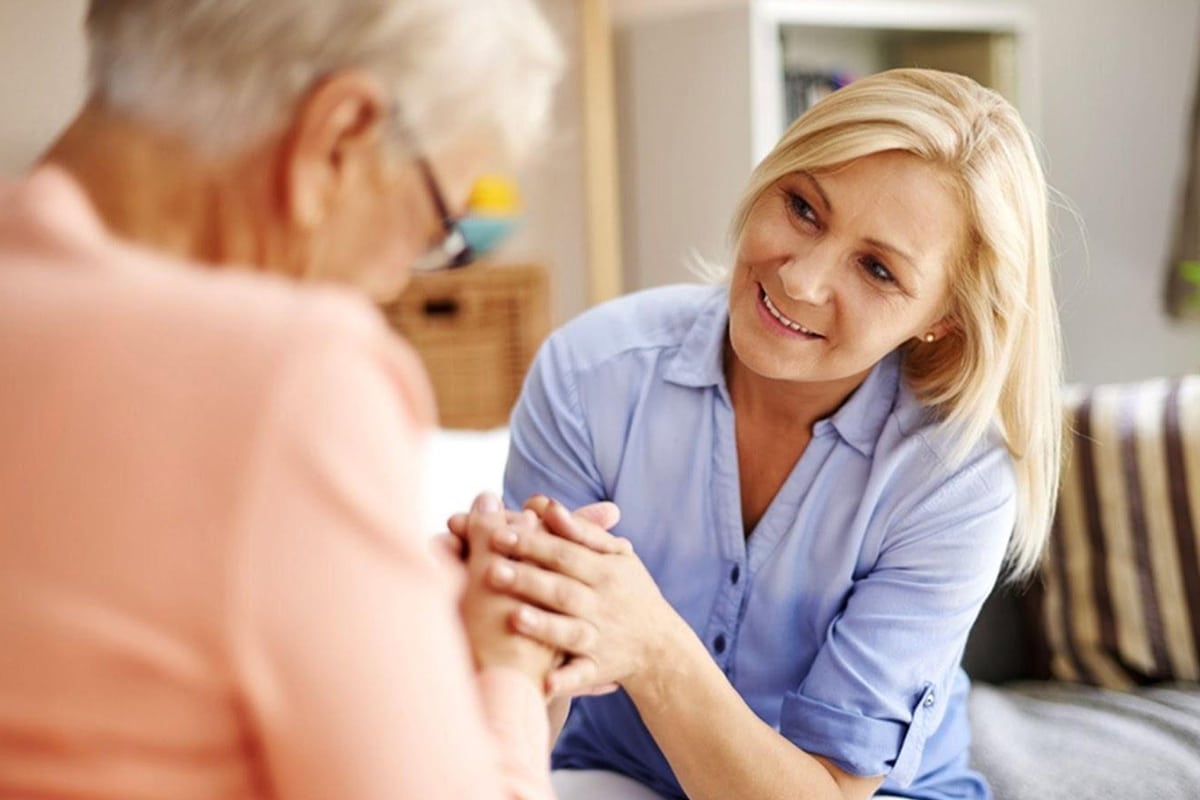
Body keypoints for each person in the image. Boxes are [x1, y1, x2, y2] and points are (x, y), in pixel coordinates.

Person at [0, 1, 571, 798]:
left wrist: (381, 613)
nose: (394, 284)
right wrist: (507, 668)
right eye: (433, 223)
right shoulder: (295, 376)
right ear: (341, 136)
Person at [466, 68, 1063, 800]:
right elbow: (526, 697)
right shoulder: (590, 373)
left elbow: (833, 789)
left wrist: (652, 646)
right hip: (618, 774)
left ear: (943, 319)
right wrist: (499, 627)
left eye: (877, 269)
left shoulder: (954, 475)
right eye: (804, 208)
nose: (802, 280)